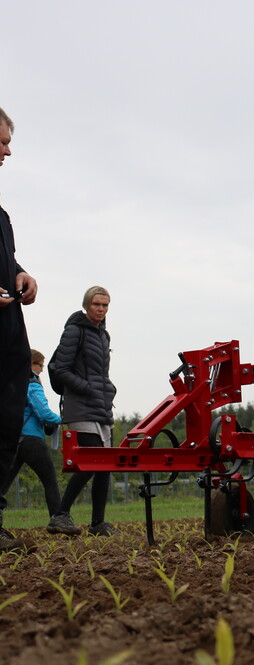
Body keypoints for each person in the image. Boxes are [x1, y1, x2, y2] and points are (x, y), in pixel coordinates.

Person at [47, 286, 117, 537]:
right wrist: (87, 388)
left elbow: (101, 374)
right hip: (79, 407)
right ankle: (60, 515)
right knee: (91, 462)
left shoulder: (103, 335)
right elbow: (61, 370)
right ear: (87, 305)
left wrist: (109, 389)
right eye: (97, 304)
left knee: (106, 465)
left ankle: (98, 523)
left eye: (105, 305)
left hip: (101, 406)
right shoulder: (74, 330)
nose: (101, 309)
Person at [0, 107, 39, 551]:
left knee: (4, 426)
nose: (9, 151)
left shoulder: (1, 215)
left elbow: (7, 264)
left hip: (10, 337)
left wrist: (23, 275)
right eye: (3, 142)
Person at [0, 352, 66, 543]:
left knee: (3, 485)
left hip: (13, 439)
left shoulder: (11, 382)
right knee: (50, 481)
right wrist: (62, 420)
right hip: (32, 439)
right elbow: (42, 411)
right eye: (40, 365)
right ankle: (58, 519)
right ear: (31, 364)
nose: (42, 370)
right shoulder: (32, 381)